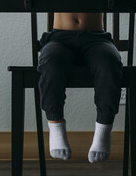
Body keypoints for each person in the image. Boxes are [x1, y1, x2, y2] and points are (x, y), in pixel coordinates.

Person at [37, 13, 123, 163]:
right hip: (59, 38)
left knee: (109, 63)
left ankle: (104, 128)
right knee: (51, 64)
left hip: (97, 38)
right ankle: (55, 125)